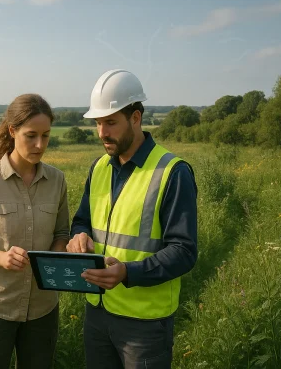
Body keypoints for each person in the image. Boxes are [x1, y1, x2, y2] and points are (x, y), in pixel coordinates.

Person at [67, 69, 198, 368]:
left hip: (145, 324)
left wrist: (127, 272)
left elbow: (185, 251)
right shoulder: (99, 167)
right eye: (98, 123)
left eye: (110, 122)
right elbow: (82, 221)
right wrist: (79, 236)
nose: (102, 132)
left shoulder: (172, 172)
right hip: (97, 312)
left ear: (136, 118)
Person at [0, 93, 70, 369]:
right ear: (12, 130)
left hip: (43, 309)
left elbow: (61, 233)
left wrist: (57, 258)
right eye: (31, 135)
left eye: (46, 135)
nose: (40, 144)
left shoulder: (57, 180)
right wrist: (1, 258)